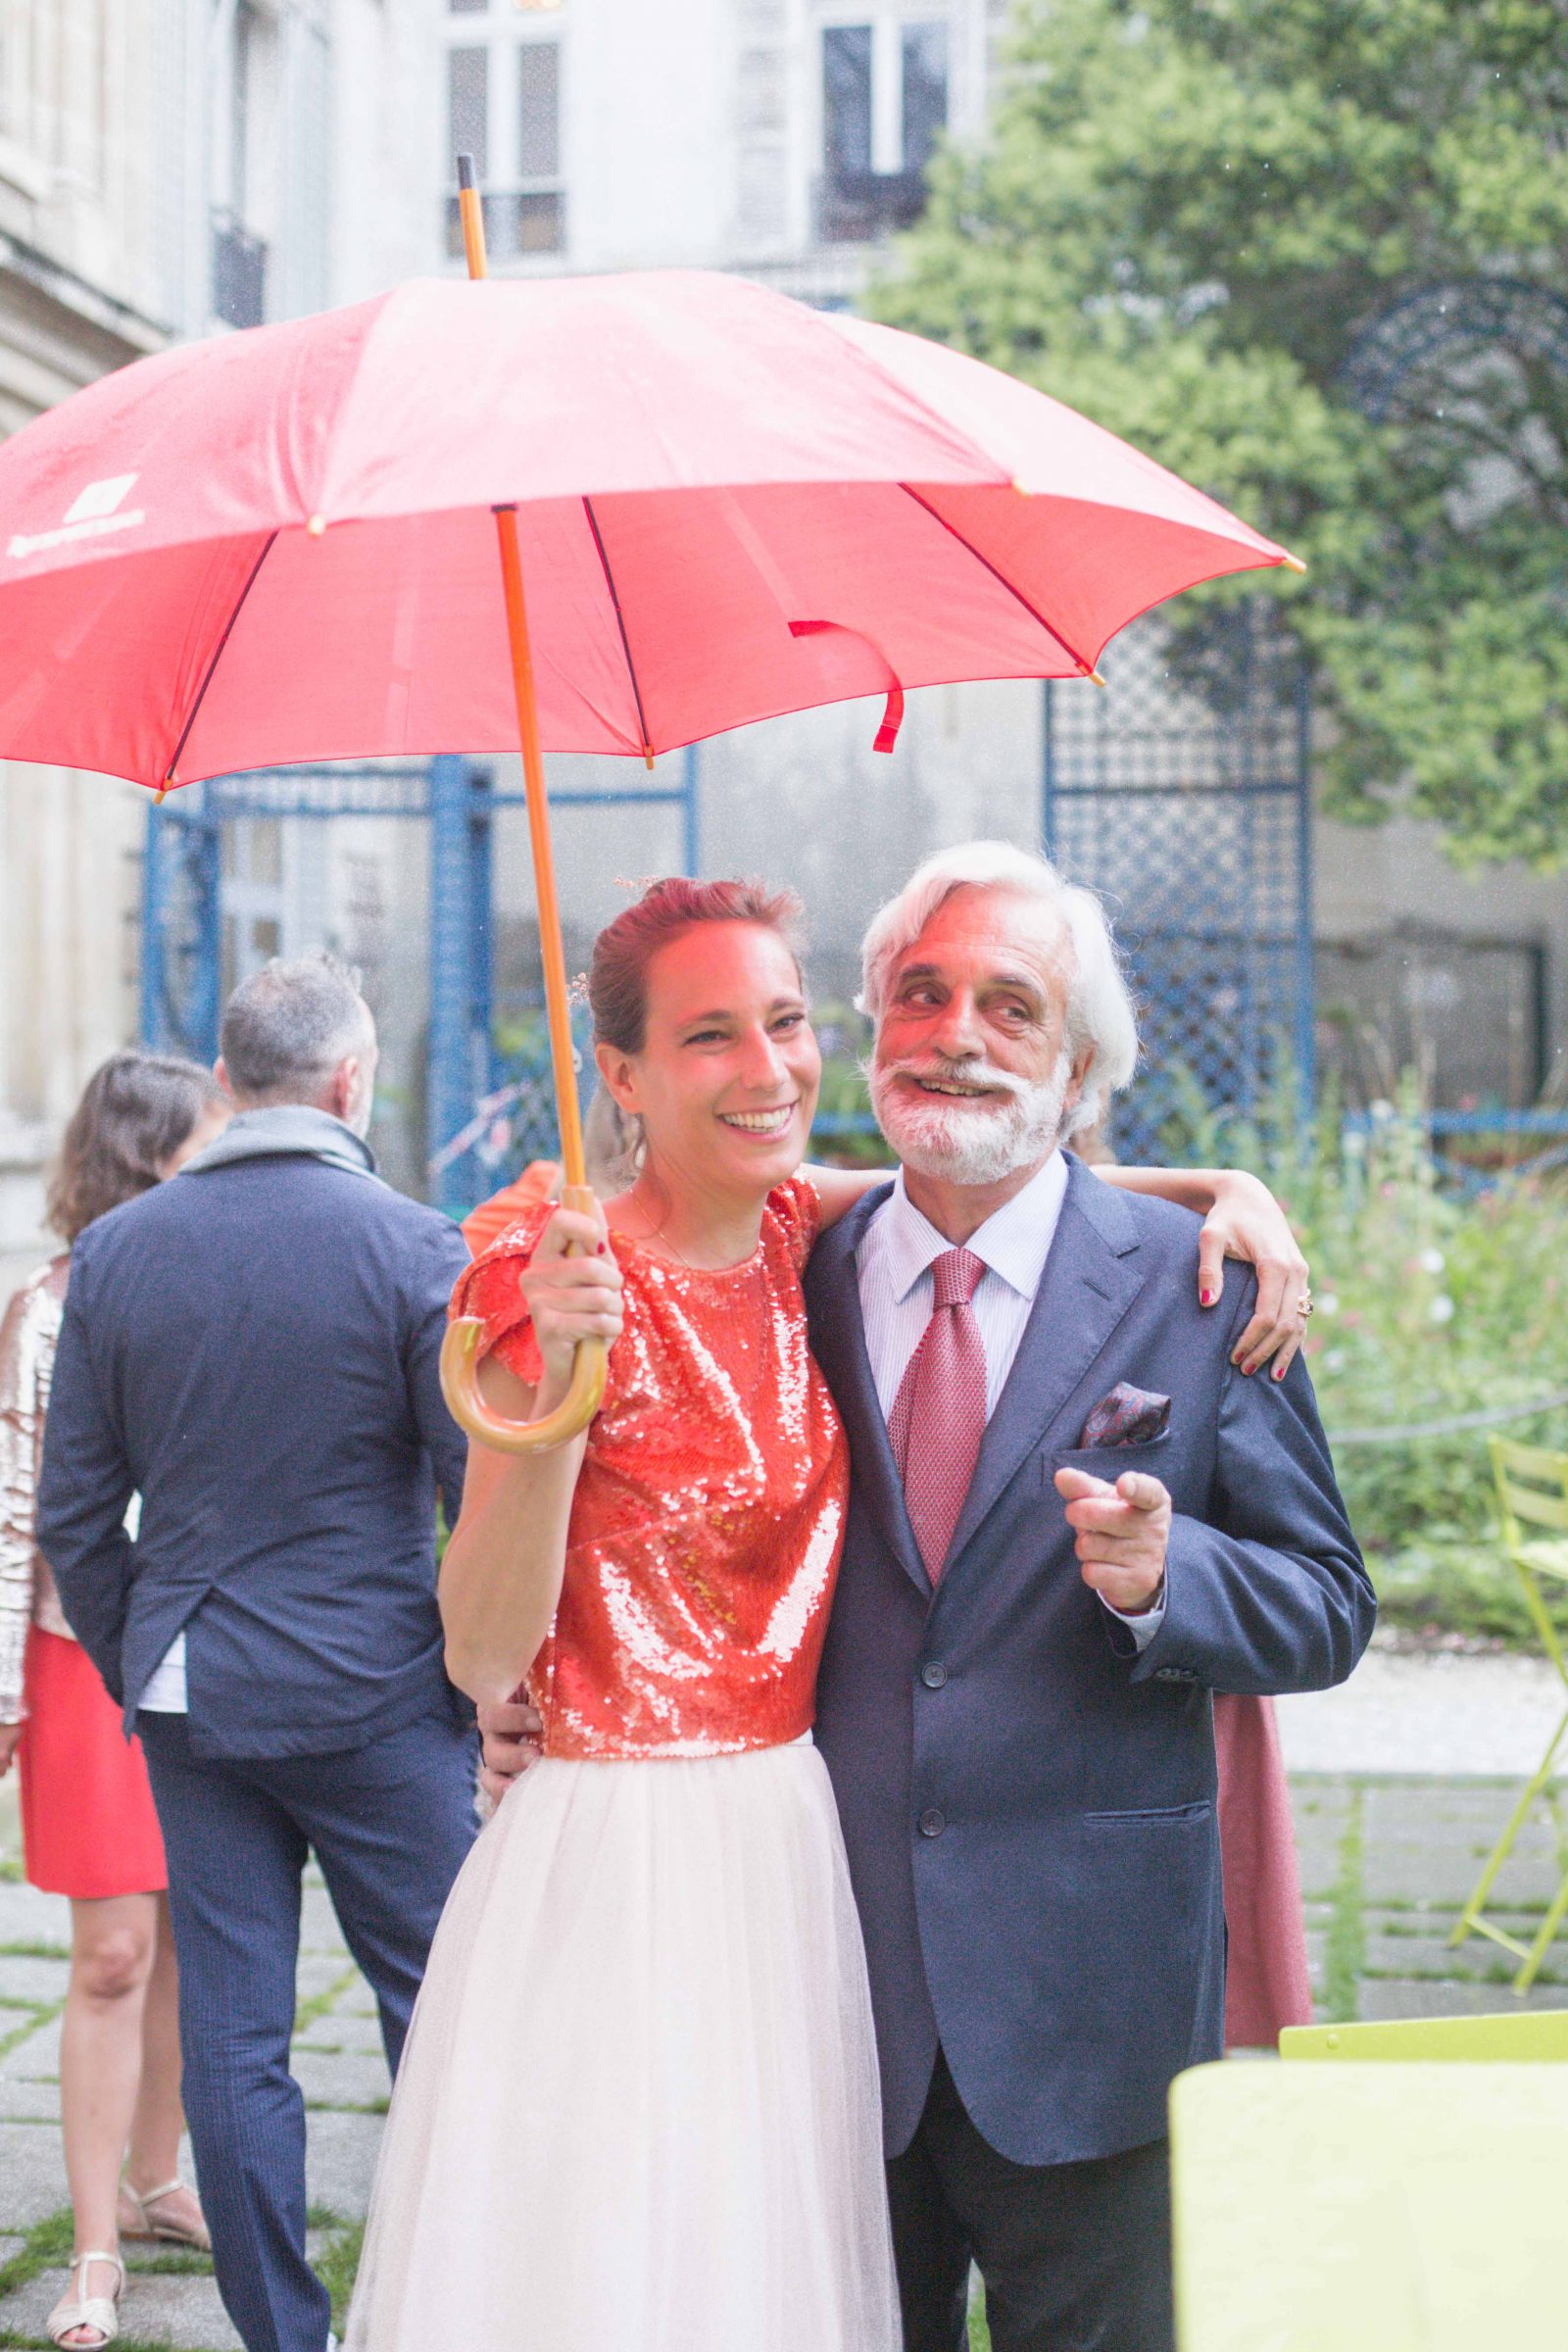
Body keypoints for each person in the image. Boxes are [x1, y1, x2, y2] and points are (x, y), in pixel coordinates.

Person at [350, 869, 1321, 2352]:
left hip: (884, 1904)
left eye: (786, 1021)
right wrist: (553, 1404)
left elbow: (997, 1176)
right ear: (621, 1073)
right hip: (666, 1883)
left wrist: (1225, 1194)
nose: (767, 1067)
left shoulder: (826, 1233)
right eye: (709, 1035)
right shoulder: (588, 1280)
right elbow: (483, 1647)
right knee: (640, 2280)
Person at [35, 955, 478, 2352]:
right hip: (381, 1693)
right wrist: (476, 1683)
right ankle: (447, 2305)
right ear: (352, 1083)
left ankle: (286, 2336)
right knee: (445, 2012)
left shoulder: (117, 1253)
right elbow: (476, 1495)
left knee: (232, 2035)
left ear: (225, 1083)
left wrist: (140, 1649)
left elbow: (73, 1514)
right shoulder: (417, 1247)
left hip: (190, 1694)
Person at [1, 1052, 227, 2352]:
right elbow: (14, 1515)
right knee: (113, 1954)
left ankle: (156, 2179)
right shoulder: (45, 1311)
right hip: (77, 1657)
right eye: (202, 1139)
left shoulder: (217, 1284)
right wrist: (2, 1691)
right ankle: (93, 2247)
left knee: (192, 1930)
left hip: (205, 1650)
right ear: (147, 1156)